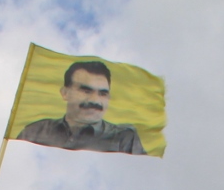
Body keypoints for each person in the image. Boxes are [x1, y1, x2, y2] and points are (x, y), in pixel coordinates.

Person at [16, 60, 147, 154]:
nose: (95, 100)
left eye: (103, 93)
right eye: (86, 91)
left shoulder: (124, 138)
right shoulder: (35, 132)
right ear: (65, 93)